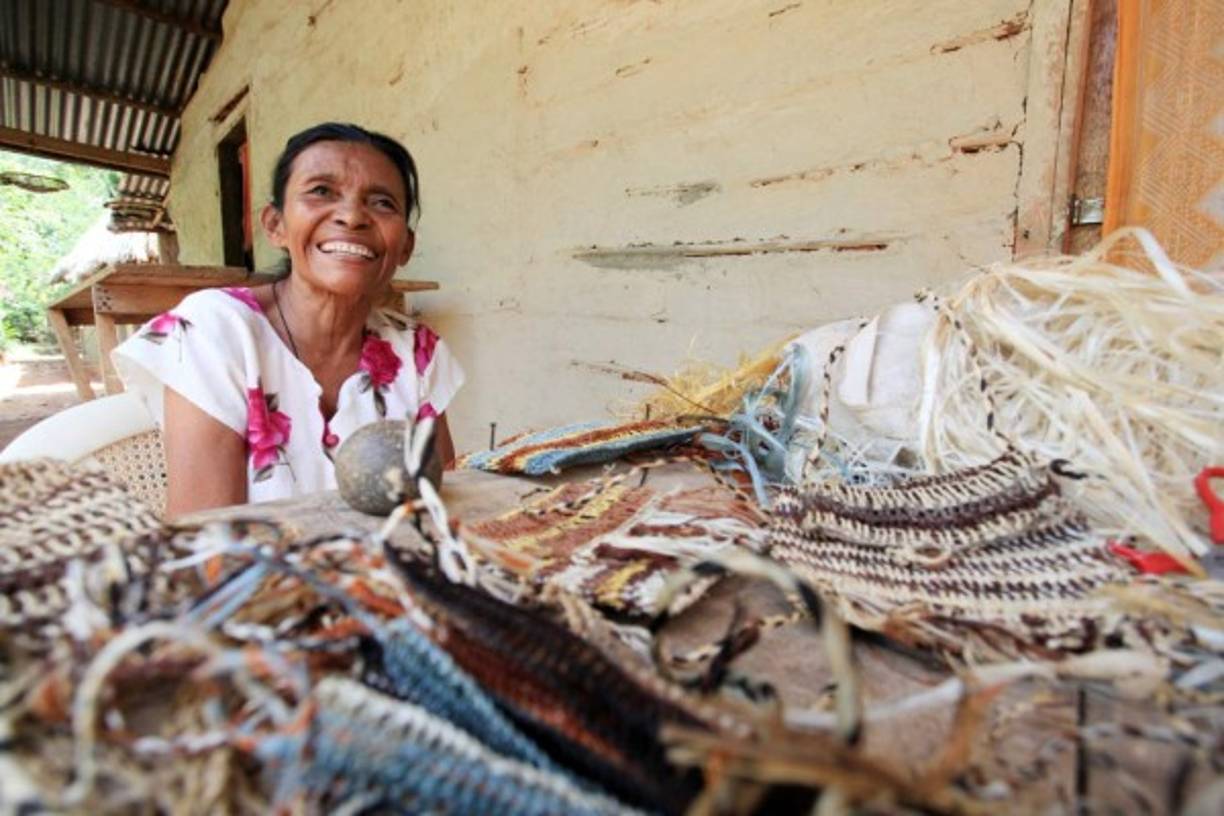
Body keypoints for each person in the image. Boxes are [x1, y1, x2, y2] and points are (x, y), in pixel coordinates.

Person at [114, 122, 465, 518]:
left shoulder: (418, 351)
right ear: (275, 225)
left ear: (406, 245)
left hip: (395, 574)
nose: (352, 216)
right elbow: (207, 540)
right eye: (321, 192)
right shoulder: (213, 332)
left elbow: (439, 509)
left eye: (382, 202)